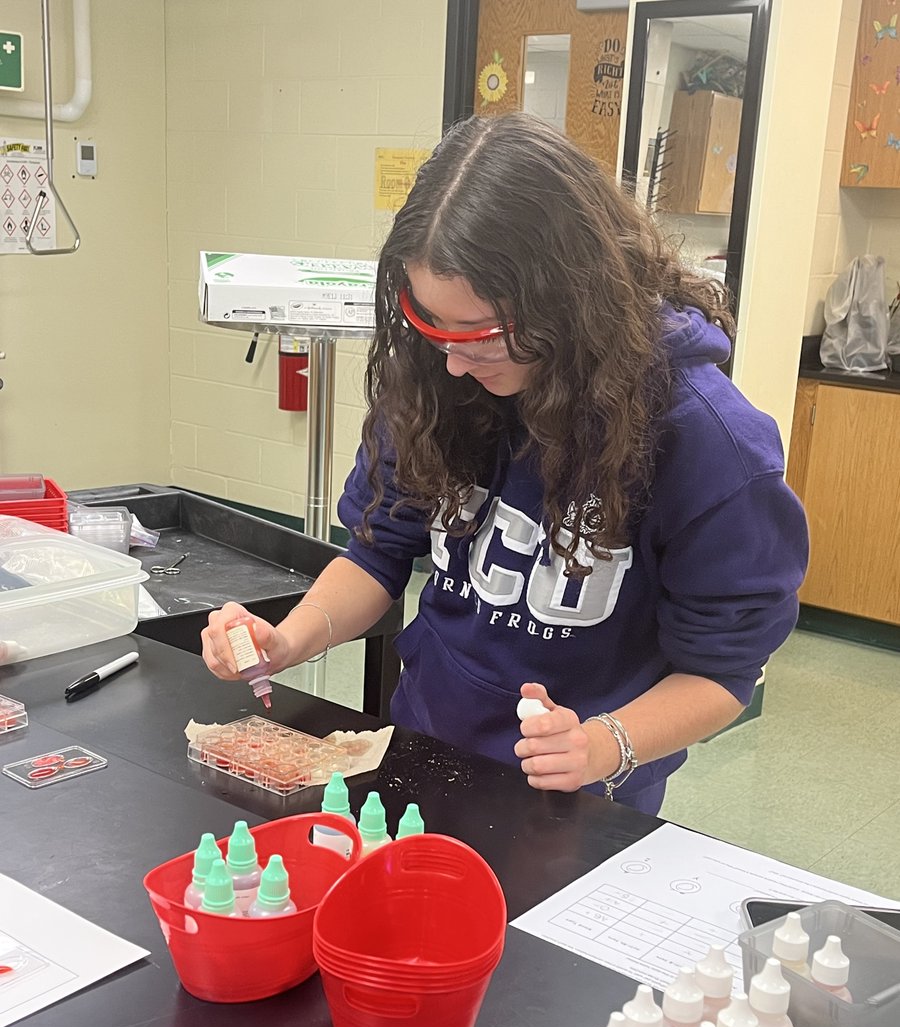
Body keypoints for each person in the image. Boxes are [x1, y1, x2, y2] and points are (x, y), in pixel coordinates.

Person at [202, 111, 808, 816]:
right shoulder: (440, 379)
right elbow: (377, 555)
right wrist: (287, 640)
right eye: (432, 326)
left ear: (570, 303)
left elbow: (722, 673)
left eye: (480, 336)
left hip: (578, 798)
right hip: (423, 750)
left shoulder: (709, 443)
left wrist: (600, 745)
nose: (454, 363)